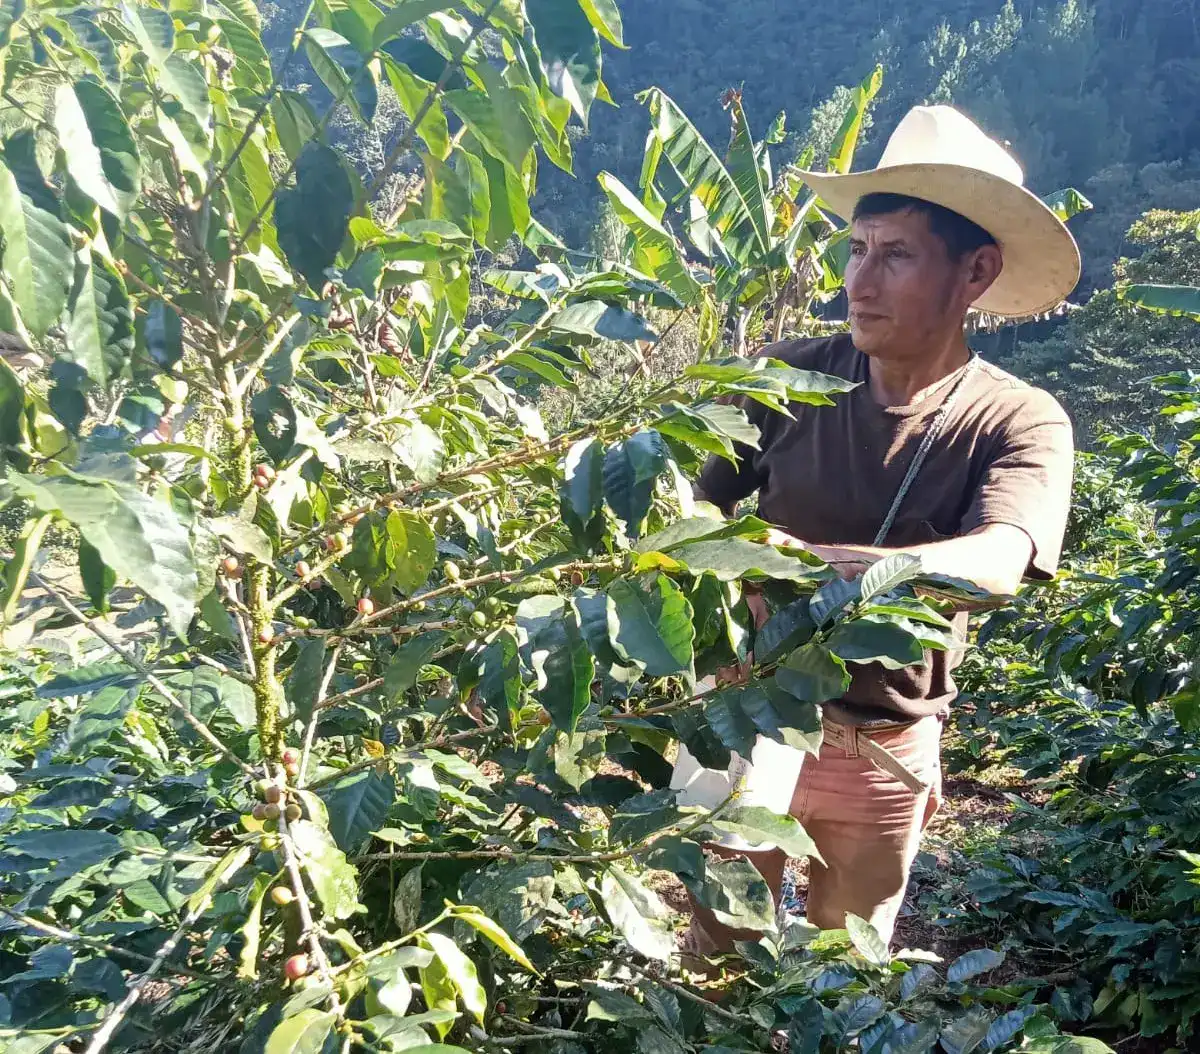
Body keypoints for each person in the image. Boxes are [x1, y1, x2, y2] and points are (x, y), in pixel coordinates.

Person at [679, 104, 1079, 951]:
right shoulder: (786, 376)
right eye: (858, 249)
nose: (860, 282)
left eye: (897, 256)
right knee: (717, 957)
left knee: (845, 973)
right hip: (750, 715)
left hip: (884, 745)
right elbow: (687, 503)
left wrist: (823, 568)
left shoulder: (1017, 418)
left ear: (975, 271)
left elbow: (1001, 562)